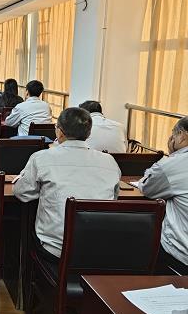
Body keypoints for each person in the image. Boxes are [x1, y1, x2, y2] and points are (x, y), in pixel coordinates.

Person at [14, 107, 121, 258]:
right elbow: (114, 198)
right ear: (88, 133)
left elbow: (21, 193)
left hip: (56, 249)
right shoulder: (109, 161)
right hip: (99, 249)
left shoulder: (41, 157)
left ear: (59, 132)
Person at [137, 117, 188, 273]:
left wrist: (172, 155)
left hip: (180, 259)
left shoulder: (177, 163)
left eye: (173, 133)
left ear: (182, 135)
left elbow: (147, 187)